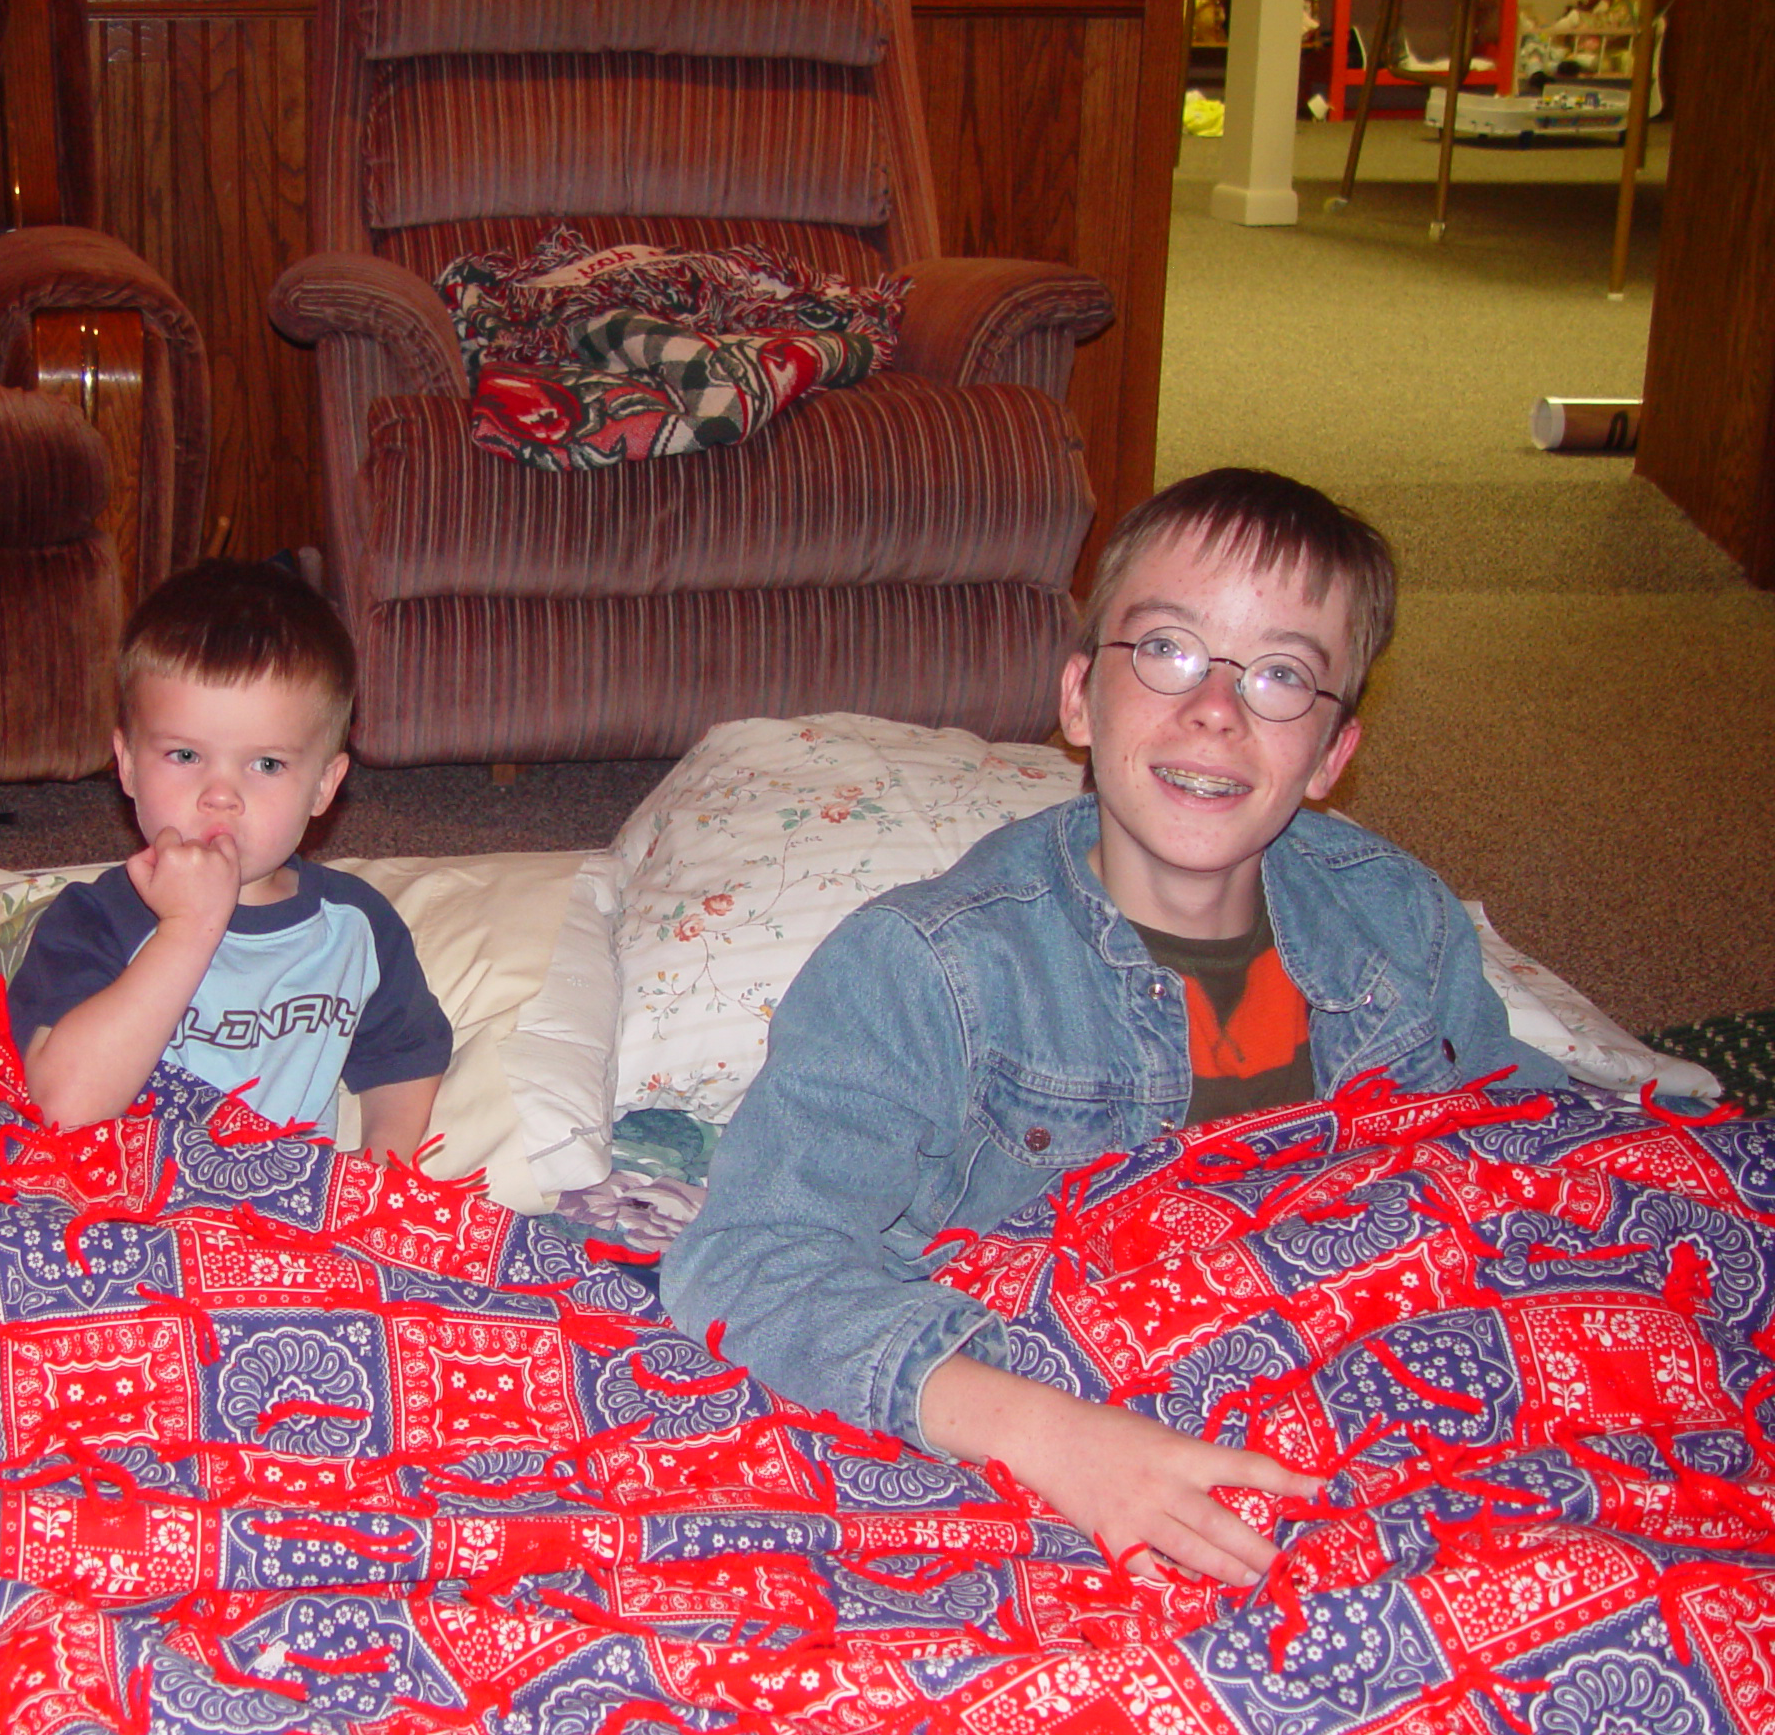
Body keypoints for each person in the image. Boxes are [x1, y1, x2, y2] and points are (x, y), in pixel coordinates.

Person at [662, 468, 1567, 1589]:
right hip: (1058, 1445)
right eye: (1171, 652)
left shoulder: (1395, 916)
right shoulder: (930, 969)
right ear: (1080, 699)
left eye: (1282, 675)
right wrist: (1060, 1443)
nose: (1216, 711)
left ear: (1333, 757)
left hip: (1370, 1419)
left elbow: (1517, 1137)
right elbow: (746, 1263)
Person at [8, 560, 451, 1157]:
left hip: (284, 1214)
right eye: (186, 754)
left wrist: (382, 1165)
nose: (221, 794)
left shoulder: (355, 927)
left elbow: (403, 1055)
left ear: (324, 785)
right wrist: (188, 928)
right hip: (123, 1212)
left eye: (266, 764)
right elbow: (63, 1105)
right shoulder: (94, 919)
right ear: (128, 764)